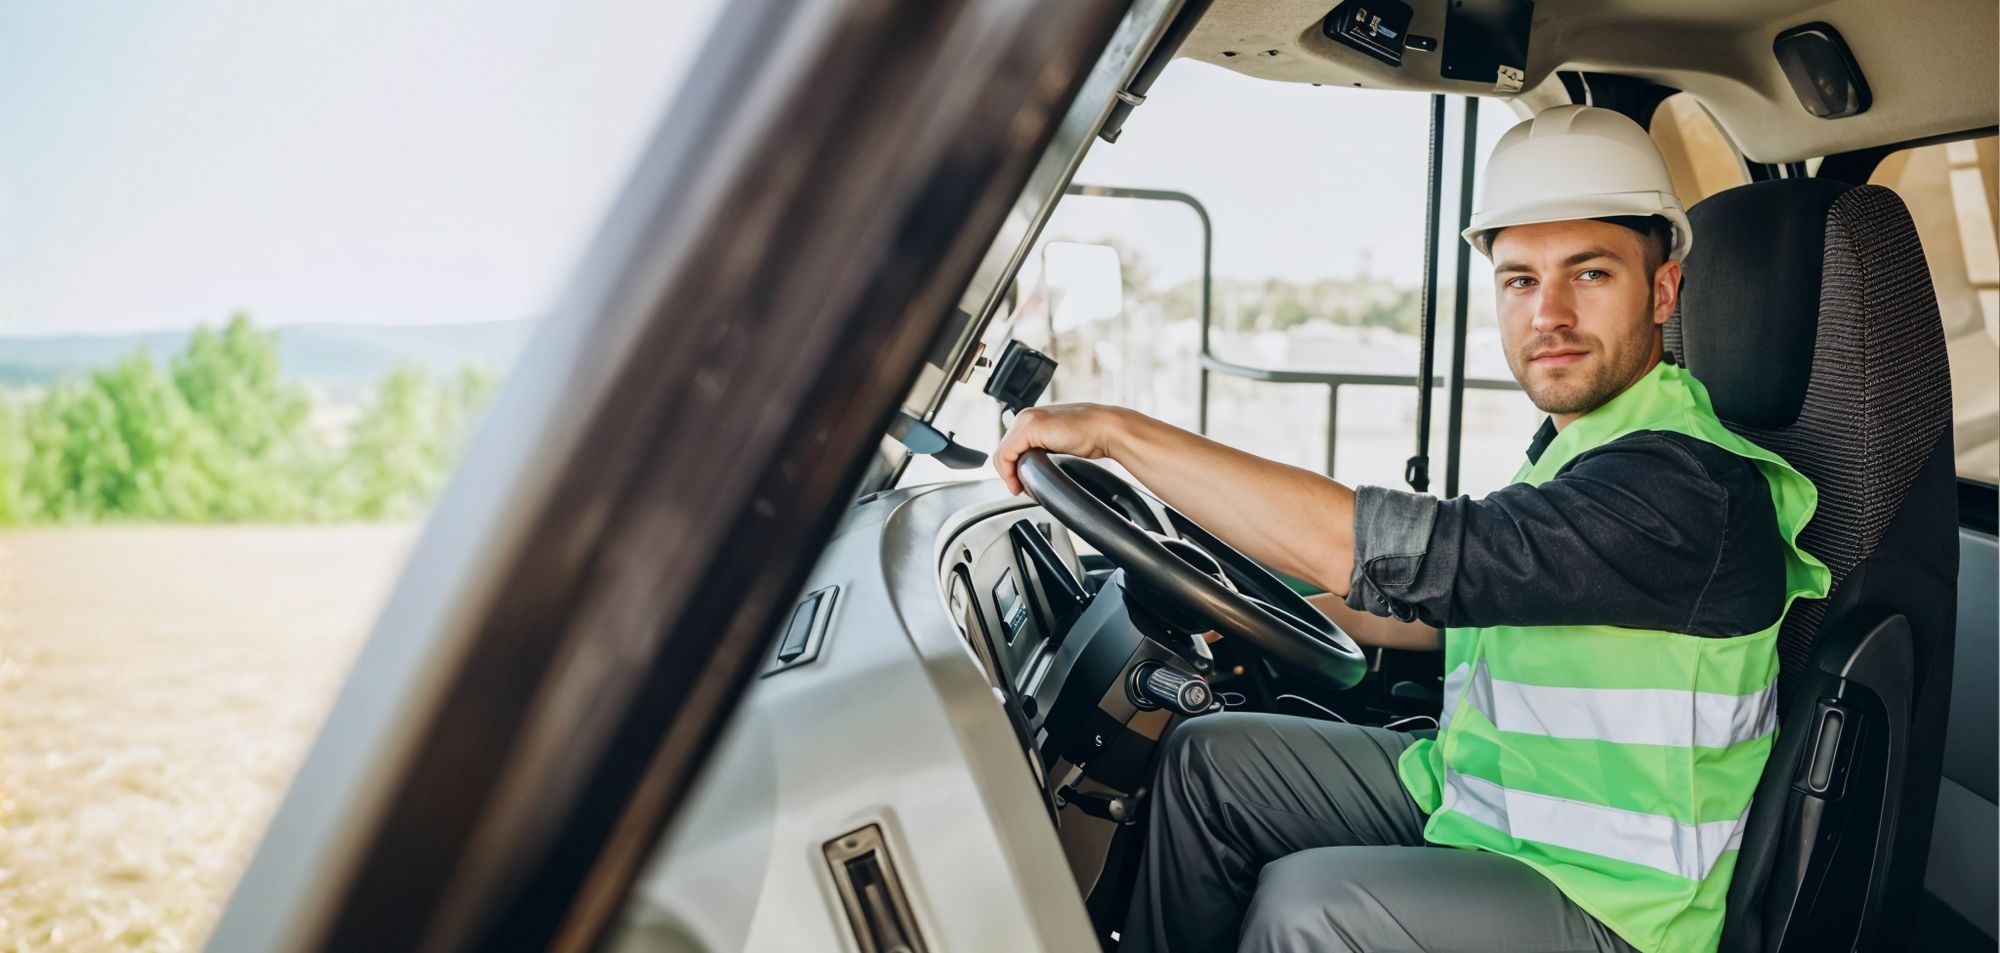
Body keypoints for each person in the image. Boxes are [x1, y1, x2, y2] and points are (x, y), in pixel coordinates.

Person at [991, 105, 1831, 953]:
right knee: (1209, 762)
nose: (1550, 313)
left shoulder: (1686, 486)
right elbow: (1470, 598)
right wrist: (1280, 613)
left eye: (1590, 273)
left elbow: (1408, 553)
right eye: (1520, 280)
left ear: (1663, 291)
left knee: (1307, 908)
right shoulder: (1583, 448)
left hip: (1616, 899)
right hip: (1489, 795)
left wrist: (1118, 434)